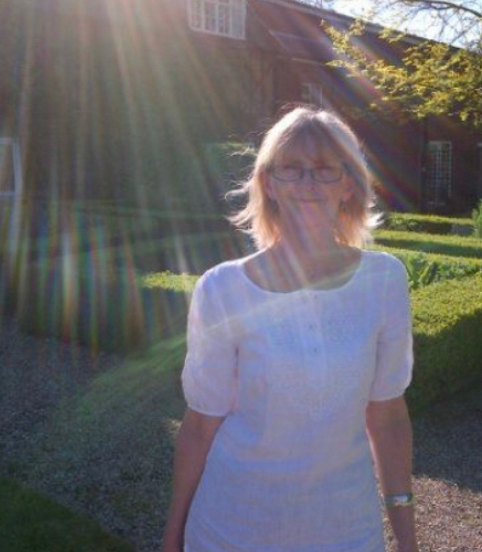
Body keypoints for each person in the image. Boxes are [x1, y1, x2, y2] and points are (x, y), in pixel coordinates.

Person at [162, 107, 418, 552]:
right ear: (268, 184)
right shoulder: (223, 288)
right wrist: (172, 538)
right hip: (233, 529)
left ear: (348, 184)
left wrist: (407, 537)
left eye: (323, 170)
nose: (307, 184)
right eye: (291, 169)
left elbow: (388, 415)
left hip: (346, 530)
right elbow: (201, 425)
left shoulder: (384, 280)